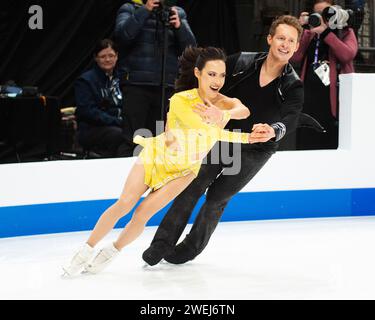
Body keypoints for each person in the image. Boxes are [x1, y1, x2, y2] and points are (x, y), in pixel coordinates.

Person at [62, 46, 254, 277]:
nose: (217, 80)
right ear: (198, 74)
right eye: (211, 74)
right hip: (158, 157)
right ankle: (85, 250)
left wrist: (224, 114)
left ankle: (112, 251)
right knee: (125, 202)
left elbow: (243, 110)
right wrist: (244, 135)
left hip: (183, 171)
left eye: (222, 75)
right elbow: (208, 132)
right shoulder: (182, 100)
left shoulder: (225, 102)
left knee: (142, 213)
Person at [142, 15, 305, 266]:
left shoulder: (293, 84)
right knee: (192, 185)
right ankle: (161, 244)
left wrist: (274, 130)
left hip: (257, 148)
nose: (285, 44)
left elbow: (292, 117)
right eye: (281, 38)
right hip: (221, 138)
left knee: (218, 197)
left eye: (291, 41)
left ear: (296, 46)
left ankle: (190, 248)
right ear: (270, 39)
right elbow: (209, 79)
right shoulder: (242, 61)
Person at [114, 0, 196, 157]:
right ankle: (126, 176)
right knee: (133, 138)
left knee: (162, 138)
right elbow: (123, 36)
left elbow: (191, 50)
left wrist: (180, 27)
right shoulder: (130, 8)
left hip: (166, 86)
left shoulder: (176, 12)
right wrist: (145, 10)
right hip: (137, 84)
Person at [293, 0, 358, 150]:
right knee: (307, 138)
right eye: (317, 13)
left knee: (331, 142)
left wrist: (326, 33)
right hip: (309, 99)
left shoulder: (345, 32)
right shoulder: (310, 34)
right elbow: (295, 57)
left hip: (333, 101)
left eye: (326, 13)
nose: (321, 17)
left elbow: (347, 54)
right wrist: (303, 29)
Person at [75, 39, 125, 157]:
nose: (107, 60)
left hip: (119, 124)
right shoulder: (85, 81)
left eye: (111, 56)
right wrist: (116, 121)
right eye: (103, 56)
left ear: (117, 56)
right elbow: (87, 111)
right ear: (96, 58)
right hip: (92, 128)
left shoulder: (122, 77)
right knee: (118, 134)